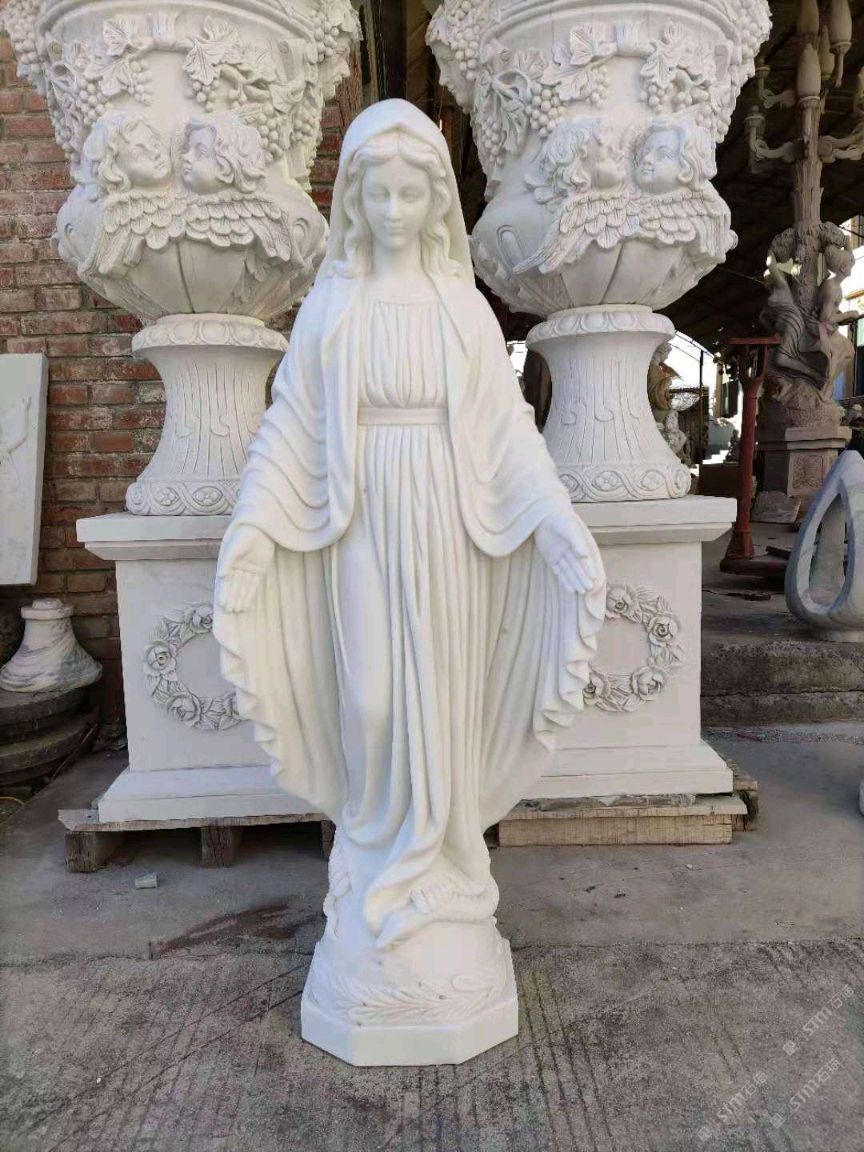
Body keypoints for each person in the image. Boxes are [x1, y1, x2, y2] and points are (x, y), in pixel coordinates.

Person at [214, 100, 605, 953]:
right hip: (360, 514)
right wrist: (252, 526)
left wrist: (554, 521)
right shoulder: (330, 307)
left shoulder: (461, 308)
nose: (394, 211)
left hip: (446, 515)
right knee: (369, 698)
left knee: (444, 694)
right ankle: (371, 854)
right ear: (354, 201)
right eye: (378, 194)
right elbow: (292, 423)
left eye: (410, 194)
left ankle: (443, 860)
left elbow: (507, 428)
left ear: (435, 202)